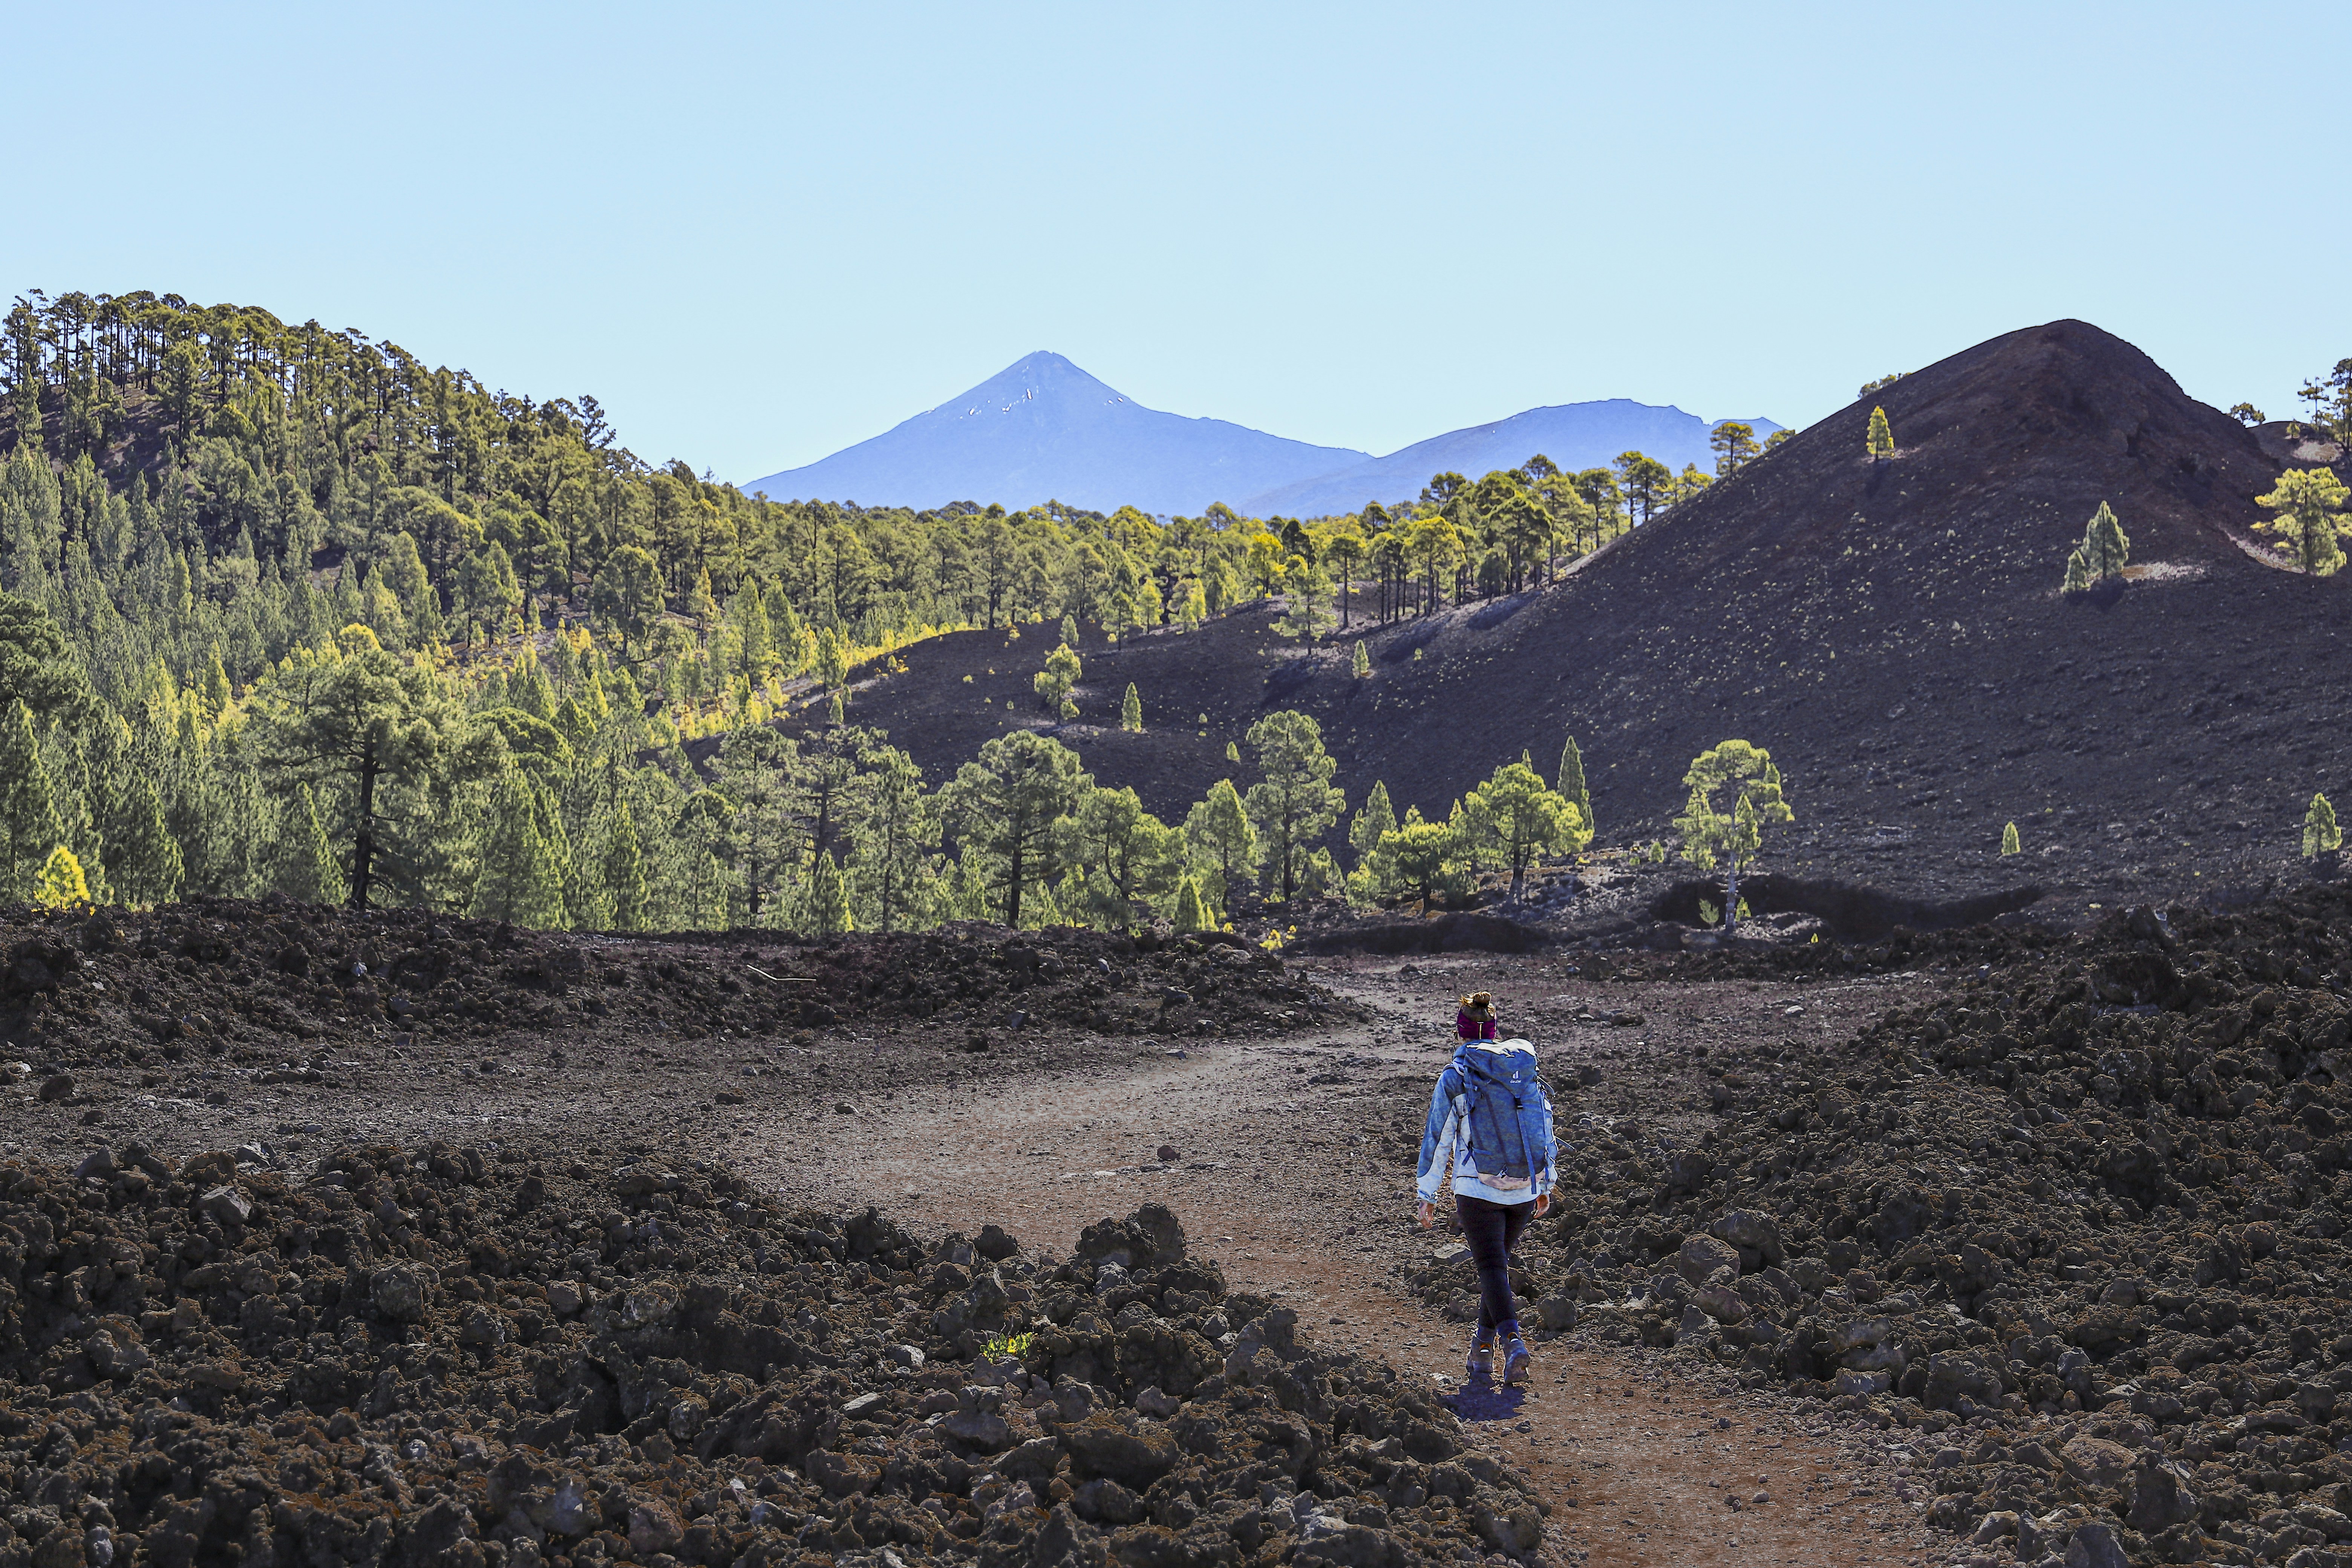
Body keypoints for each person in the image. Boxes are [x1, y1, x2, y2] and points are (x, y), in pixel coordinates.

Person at [1416, 997, 1556, 1385]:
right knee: (1497, 1267)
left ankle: (1513, 1344)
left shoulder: (1458, 1074)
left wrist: (1427, 1194)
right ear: (1495, 1030)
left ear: (1460, 1030)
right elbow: (1543, 1123)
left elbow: (1438, 1137)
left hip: (1478, 1189)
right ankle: (1481, 1350)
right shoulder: (1522, 1071)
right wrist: (1544, 1182)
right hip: (1524, 1189)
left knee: (1492, 1268)